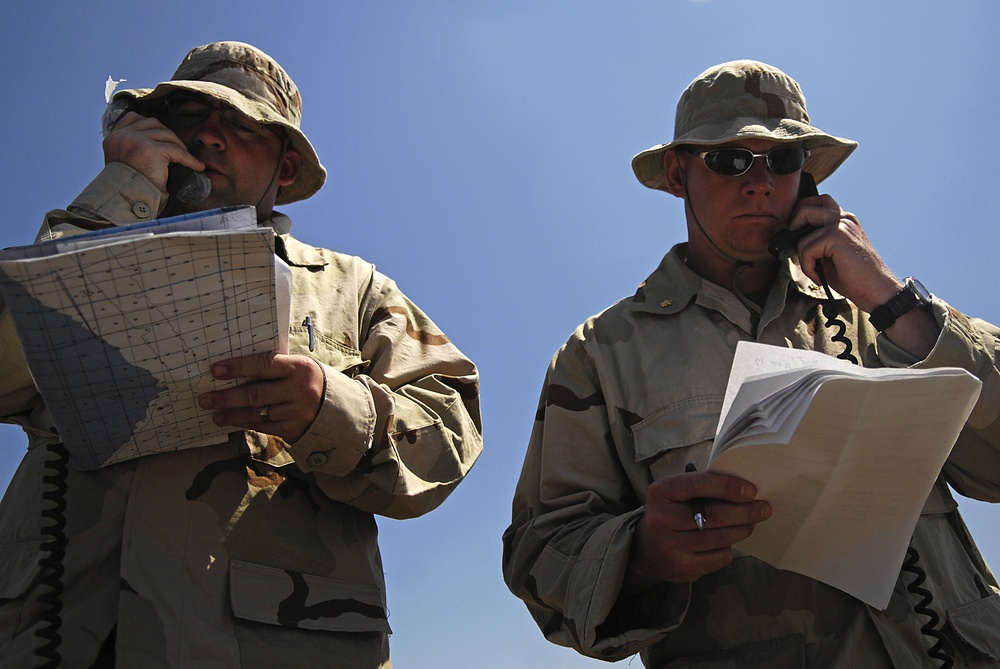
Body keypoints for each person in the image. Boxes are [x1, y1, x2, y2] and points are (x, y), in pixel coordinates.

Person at [502, 60, 1000, 667]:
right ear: (677, 172)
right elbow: (540, 550)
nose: (760, 183)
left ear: (808, 183)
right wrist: (641, 553)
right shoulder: (601, 355)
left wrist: (894, 302)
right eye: (730, 160)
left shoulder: (879, 312)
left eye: (784, 162)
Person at [0, 41, 483, 668]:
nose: (208, 137)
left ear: (284, 169)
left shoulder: (352, 287)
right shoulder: (82, 242)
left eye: (239, 124)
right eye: (187, 117)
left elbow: (452, 427)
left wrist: (329, 409)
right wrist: (117, 196)